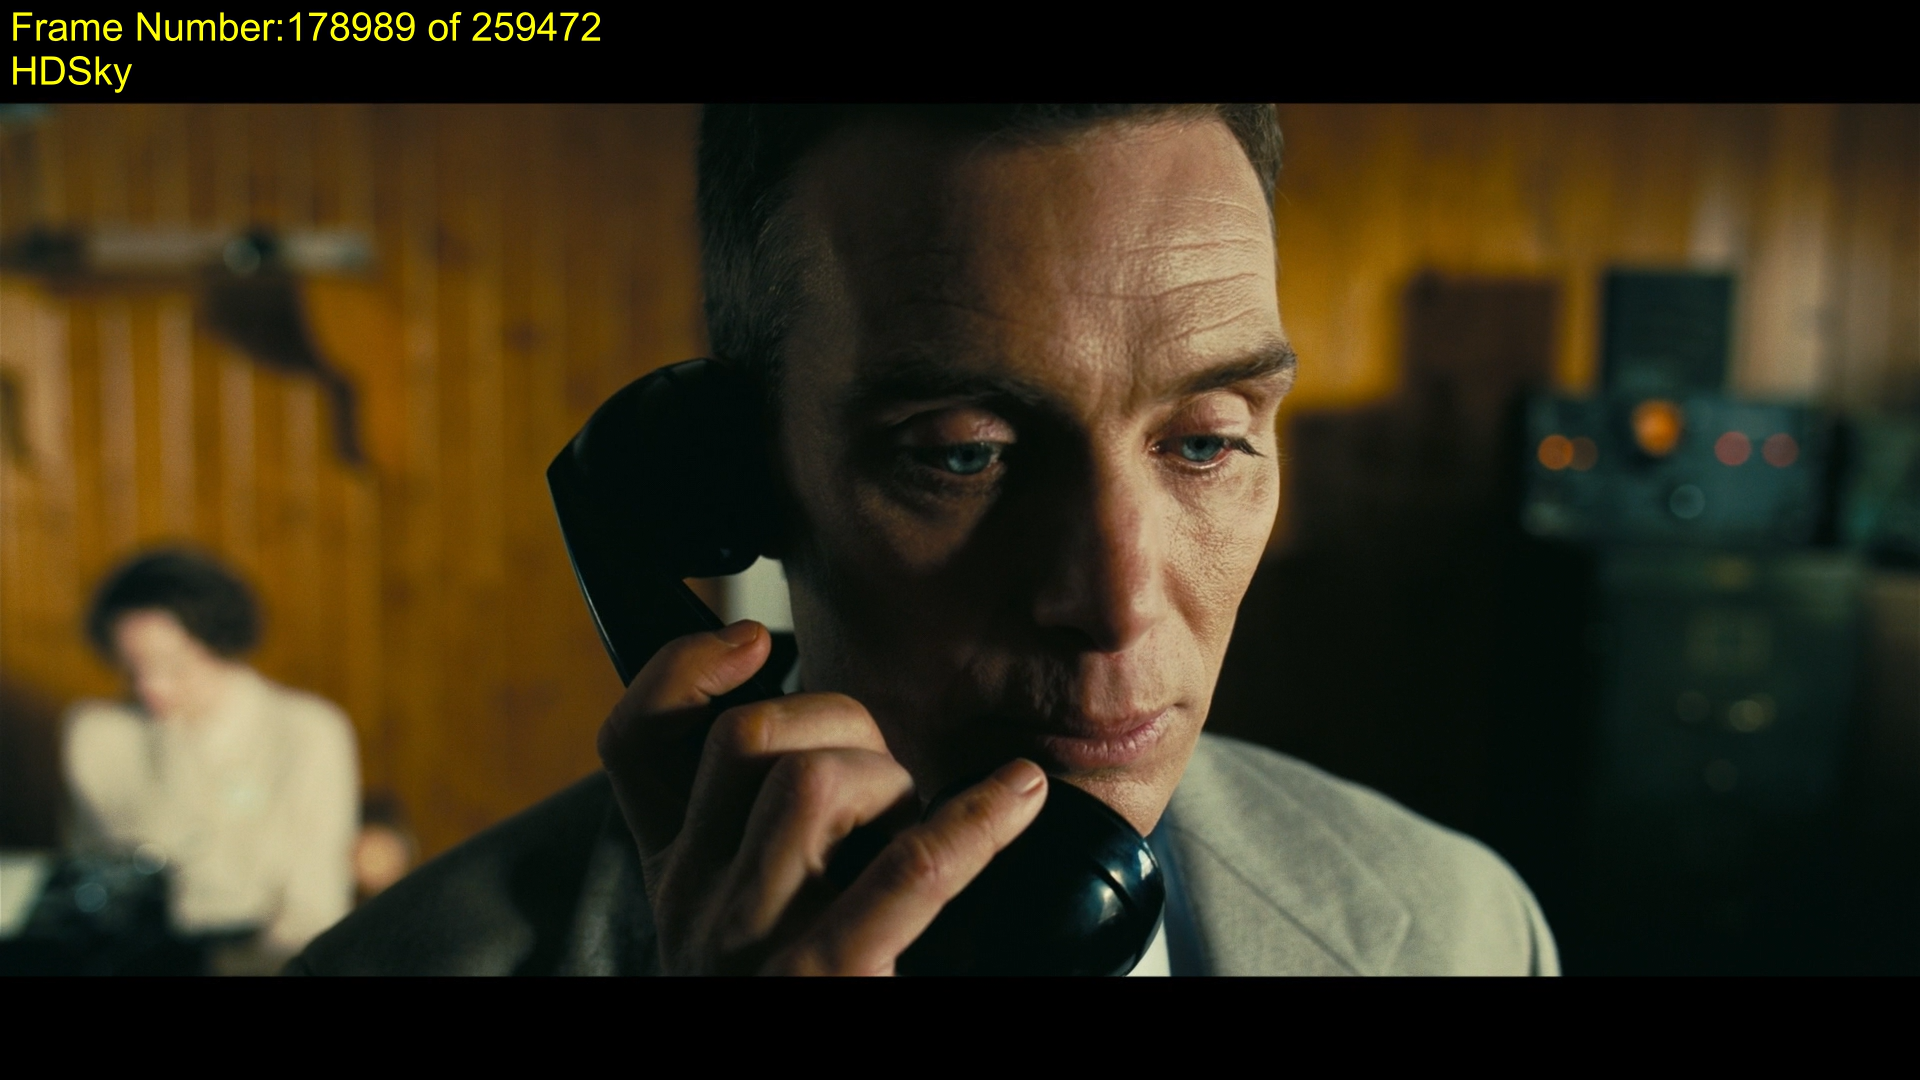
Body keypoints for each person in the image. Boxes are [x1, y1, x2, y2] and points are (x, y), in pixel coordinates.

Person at [293, 105, 1558, 976]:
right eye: (963, 454)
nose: (1116, 602)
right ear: (744, 475)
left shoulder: (1465, 931)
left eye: (1207, 442)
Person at [64, 547, 359, 974]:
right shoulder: (99, 736)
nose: (152, 687)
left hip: (270, 962)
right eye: (133, 669)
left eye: (174, 666)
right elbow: (91, 883)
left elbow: (315, 898)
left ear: (219, 641)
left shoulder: (307, 731)